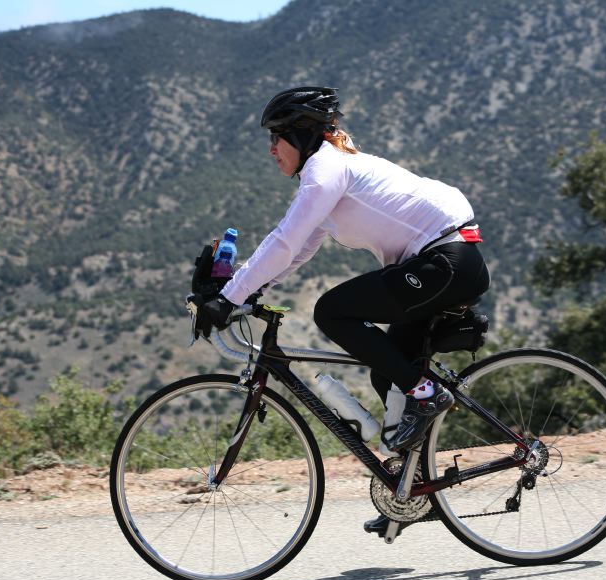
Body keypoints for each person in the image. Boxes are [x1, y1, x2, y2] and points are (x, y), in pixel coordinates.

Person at [200, 86, 490, 530]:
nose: (271, 150)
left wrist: (229, 298)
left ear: (300, 136)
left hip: (445, 260)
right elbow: (296, 253)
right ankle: (413, 493)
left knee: (332, 312)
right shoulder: (328, 174)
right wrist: (244, 288)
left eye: (276, 138)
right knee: (388, 371)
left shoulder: (326, 168)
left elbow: (284, 239)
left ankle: (429, 395)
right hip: (443, 262)